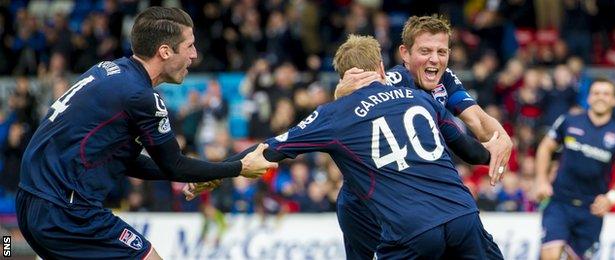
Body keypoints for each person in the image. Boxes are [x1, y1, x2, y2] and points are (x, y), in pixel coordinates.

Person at [188, 34, 503, 259]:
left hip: (412, 230)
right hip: (462, 216)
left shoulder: (333, 115)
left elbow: (266, 151)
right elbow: (469, 151)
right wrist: (498, 152)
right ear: (381, 68)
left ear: (342, 78)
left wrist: (214, 173)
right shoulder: (421, 97)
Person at [15, 7, 276, 260]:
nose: (195, 55)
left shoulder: (108, 69)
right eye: (189, 46)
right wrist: (238, 167)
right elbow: (175, 165)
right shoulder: (141, 97)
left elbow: (130, 160)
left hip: (32, 201)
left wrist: (200, 172)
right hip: (67, 211)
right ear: (164, 51)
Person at [332, 14, 513, 259]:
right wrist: (339, 96)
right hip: (366, 205)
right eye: (426, 51)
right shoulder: (391, 82)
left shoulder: (444, 81)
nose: (435, 59)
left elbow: (478, 120)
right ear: (405, 54)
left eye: (442, 52)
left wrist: (502, 139)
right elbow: (345, 110)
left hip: (419, 210)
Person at [534, 79, 615, 260]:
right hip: (559, 202)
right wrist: (541, 180)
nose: (601, 98)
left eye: (606, 94)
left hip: (591, 209)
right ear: (589, 98)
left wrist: (611, 197)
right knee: (549, 256)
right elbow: (545, 148)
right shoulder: (569, 120)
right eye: (596, 93)